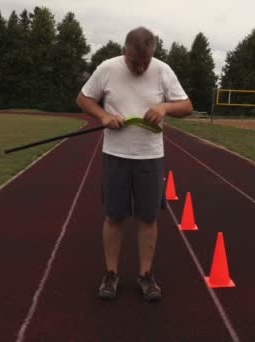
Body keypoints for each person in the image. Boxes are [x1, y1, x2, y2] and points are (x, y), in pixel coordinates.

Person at [76, 27, 193, 301]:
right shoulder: (107, 68)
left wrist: (165, 108)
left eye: (145, 62)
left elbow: (187, 106)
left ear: (153, 54)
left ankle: (145, 275)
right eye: (134, 62)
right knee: (114, 216)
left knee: (148, 218)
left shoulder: (163, 70)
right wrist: (103, 115)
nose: (140, 67)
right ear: (123, 51)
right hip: (115, 156)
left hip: (150, 157)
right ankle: (111, 274)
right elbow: (83, 99)